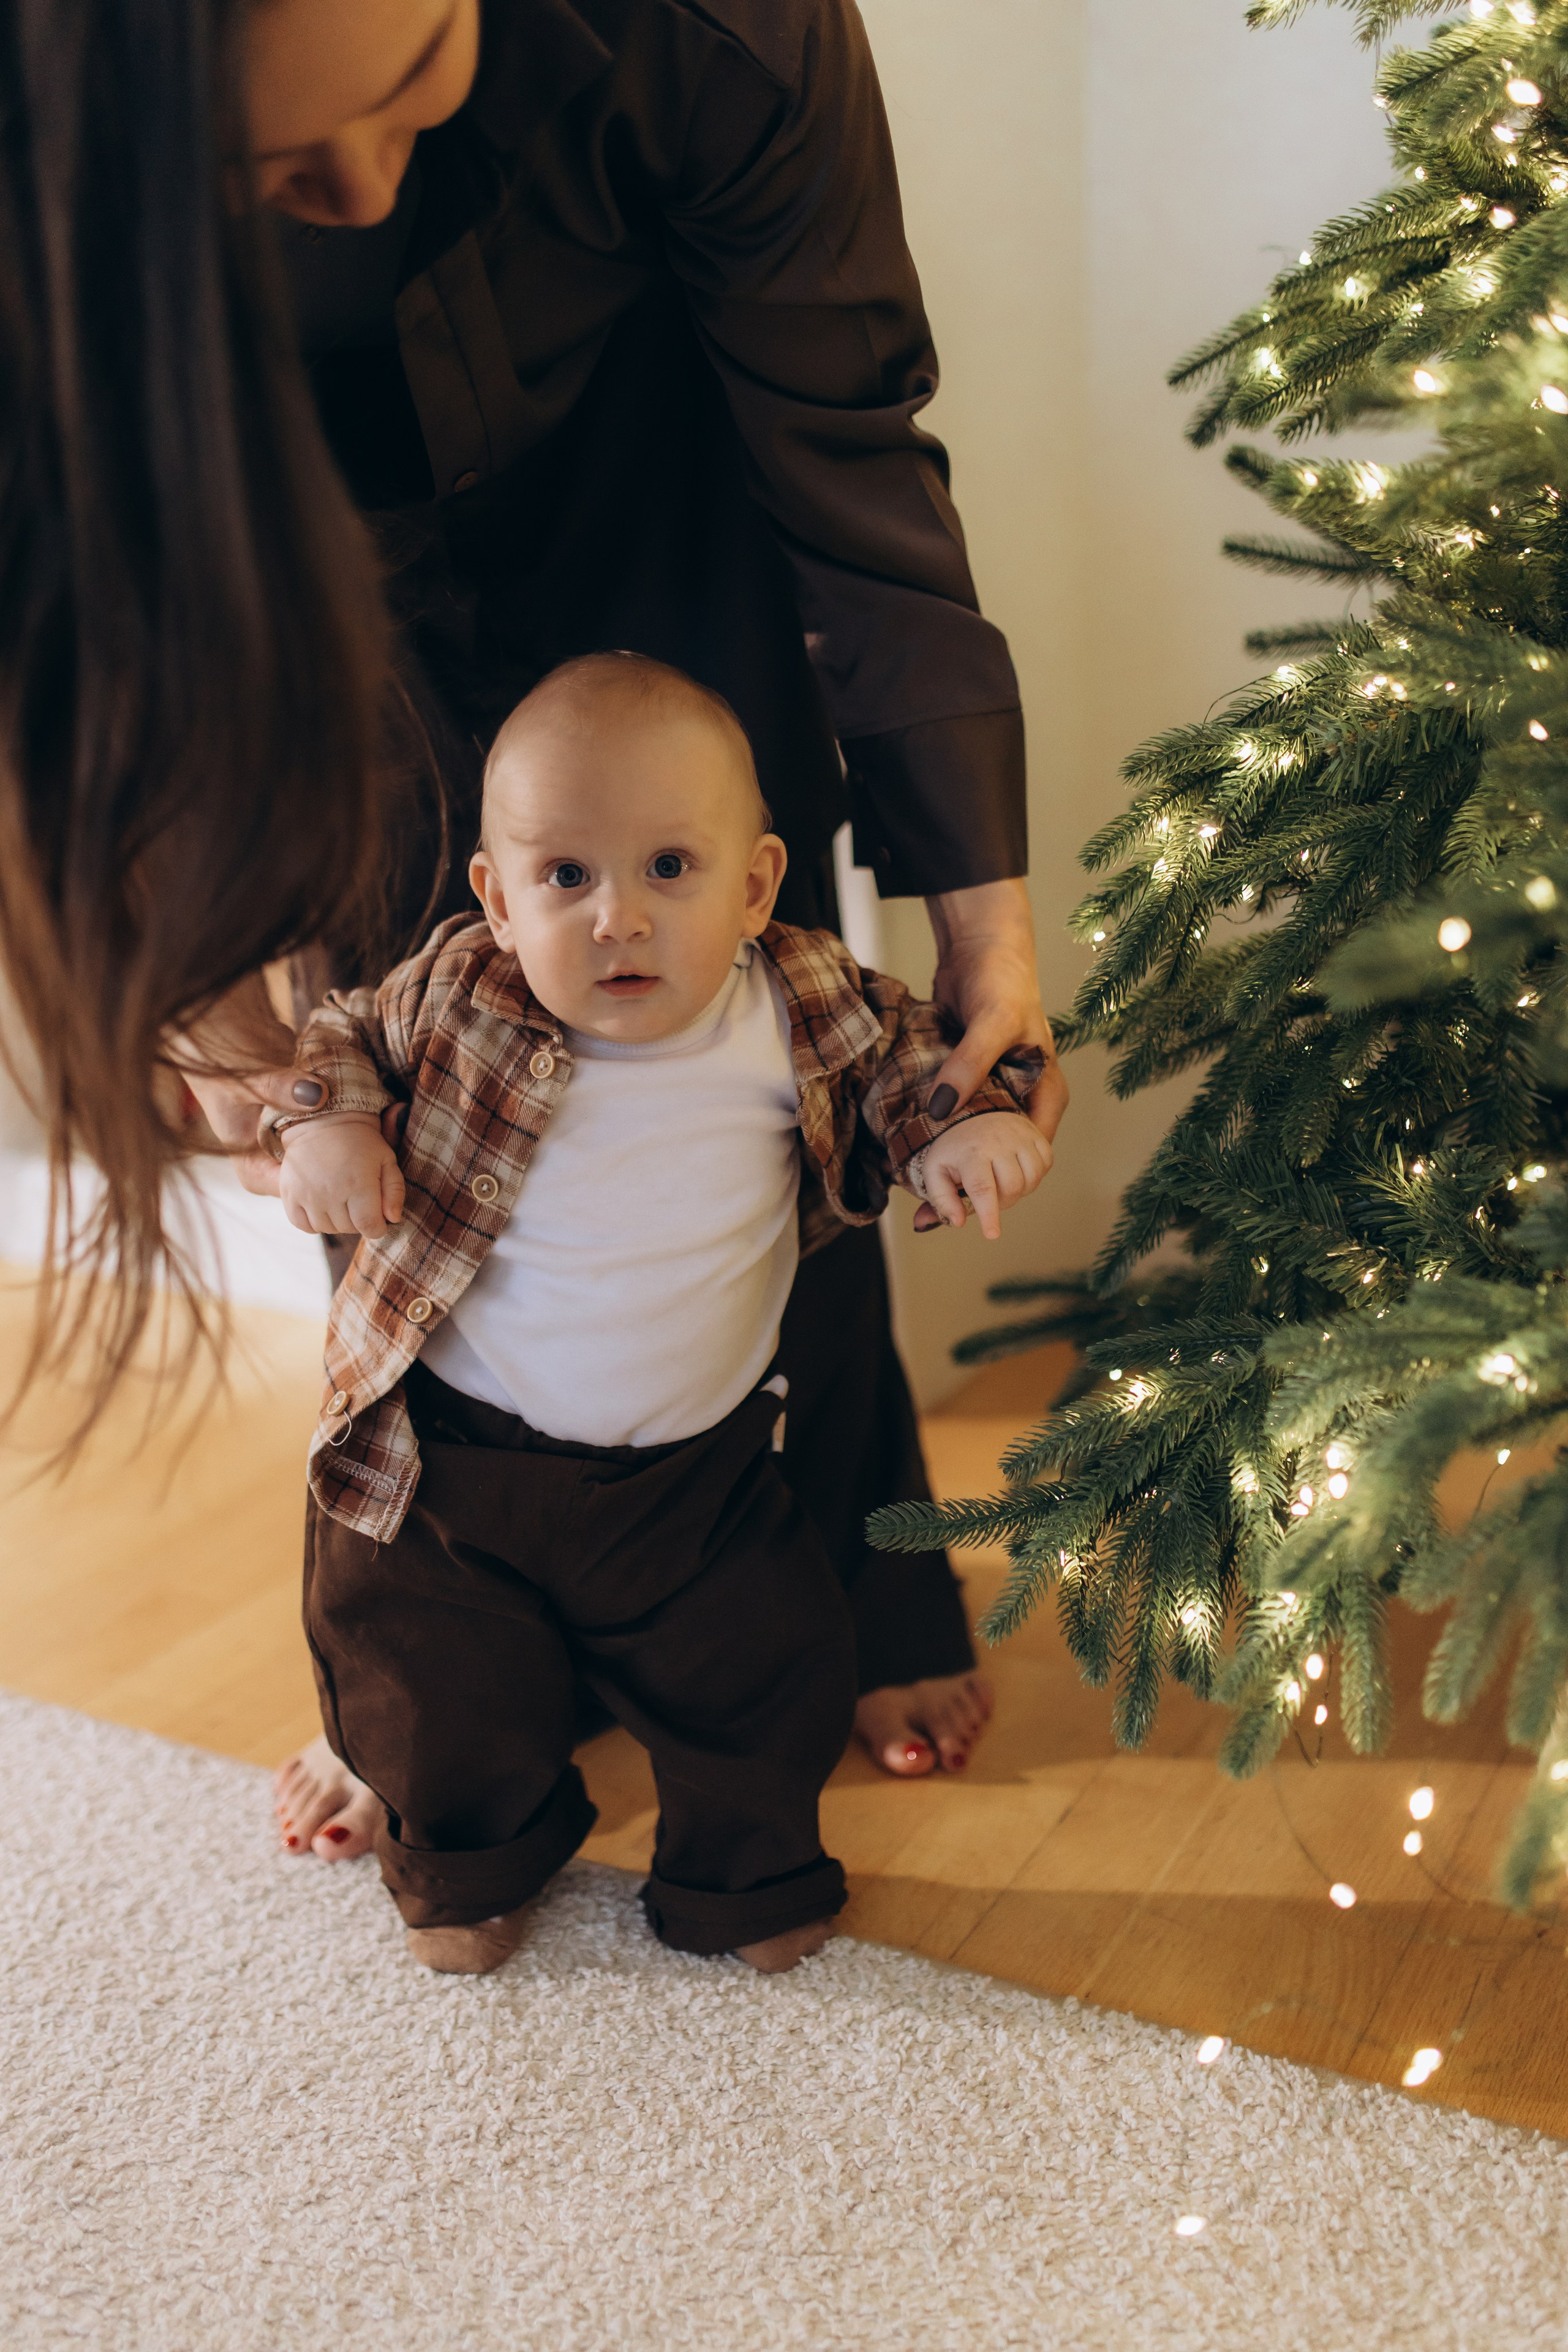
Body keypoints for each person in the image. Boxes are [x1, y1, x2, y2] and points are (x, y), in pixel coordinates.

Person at [244, 0, 1068, 1860]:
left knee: (772, 1068)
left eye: (401, 99)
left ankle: (849, 1596)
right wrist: (219, 1003)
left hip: (654, 471)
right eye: (279, 162)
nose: (364, 189)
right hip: (298, 547)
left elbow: (853, 451)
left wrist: (988, 938)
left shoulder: (731, 27)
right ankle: (438, 1673)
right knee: (392, 1141)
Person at [271, 654, 1049, 1975]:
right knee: (428, 1685)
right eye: (564, 877)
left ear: (754, 884)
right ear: (497, 901)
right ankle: (464, 1872)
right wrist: (329, 1119)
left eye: (668, 870)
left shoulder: (798, 1002)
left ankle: (743, 1885)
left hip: (696, 1481)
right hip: (455, 1469)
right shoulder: (457, 990)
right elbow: (342, 1030)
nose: (616, 919)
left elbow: (911, 1072)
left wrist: (958, 1136)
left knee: (763, 1672)